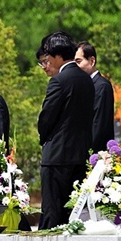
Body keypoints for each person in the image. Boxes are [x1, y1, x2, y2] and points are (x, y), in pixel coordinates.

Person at [37, 31, 95, 229]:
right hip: (80, 156)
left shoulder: (59, 81)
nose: (48, 61)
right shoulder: (87, 80)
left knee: (52, 213)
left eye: (48, 57)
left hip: (57, 157)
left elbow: (46, 118)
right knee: (73, 215)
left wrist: (43, 138)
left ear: (57, 56)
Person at [75, 41, 115, 153]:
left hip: (96, 154)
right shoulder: (84, 85)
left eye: (79, 61)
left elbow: (99, 124)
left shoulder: (101, 86)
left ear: (92, 61)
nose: (75, 67)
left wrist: (86, 152)